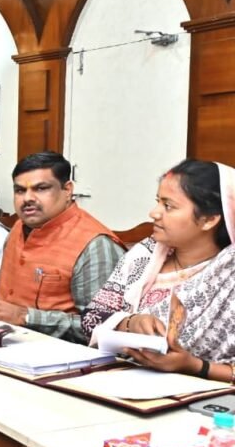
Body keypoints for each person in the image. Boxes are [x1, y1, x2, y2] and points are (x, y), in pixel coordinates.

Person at [0, 151, 124, 343]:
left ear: (67, 190)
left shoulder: (95, 245)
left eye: (41, 188)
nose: (27, 198)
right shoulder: (19, 229)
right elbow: (11, 296)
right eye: (20, 190)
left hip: (61, 357)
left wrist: (26, 317)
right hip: (5, 342)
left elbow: (106, 326)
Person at [84, 160, 235, 380]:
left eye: (168, 206)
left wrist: (194, 366)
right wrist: (130, 323)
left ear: (209, 220)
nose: (153, 213)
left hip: (204, 394)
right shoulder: (144, 255)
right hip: (119, 379)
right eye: (157, 202)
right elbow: (90, 319)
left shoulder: (229, 275)